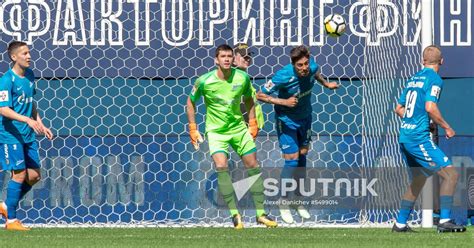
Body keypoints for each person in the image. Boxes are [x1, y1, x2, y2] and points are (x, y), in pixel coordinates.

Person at [186, 44, 277, 229]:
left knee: (253, 166)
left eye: (229, 56)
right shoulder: (204, 81)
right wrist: (193, 128)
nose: (226, 59)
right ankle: (235, 215)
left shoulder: (242, 77)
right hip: (216, 132)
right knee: (221, 166)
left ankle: (261, 214)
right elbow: (190, 101)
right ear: (216, 60)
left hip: (238, 129)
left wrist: (252, 122)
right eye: (223, 56)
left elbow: (249, 99)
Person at [256, 45, 339, 224]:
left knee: (302, 157)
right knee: (291, 159)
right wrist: (282, 101)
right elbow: (260, 95)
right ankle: (283, 201)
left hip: (305, 118)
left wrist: (326, 84)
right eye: (299, 65)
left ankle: (297, 199)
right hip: (286, 120)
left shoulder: (313, 68)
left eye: (305, 64)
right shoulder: (283, 76)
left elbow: (316, 74)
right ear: (292, 64)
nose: (304, 68)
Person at [393, 45, 466, 233]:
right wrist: (446, 126)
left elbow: (399, 109)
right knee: (451, 175)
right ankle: (444, 221)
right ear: (441, 62)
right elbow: (430, 107)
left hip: (405, 137)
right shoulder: (434, 79)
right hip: (418, 138)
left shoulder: (413, 79)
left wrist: (419, 121)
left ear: (422, 61)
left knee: (418, 179)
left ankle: (400, 223)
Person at [0, 41, 53, 231]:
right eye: (24, 53)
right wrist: (27, 120)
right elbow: (3, 109)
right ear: (14, 57)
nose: (29, 56)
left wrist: (40, 123)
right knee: (19, 173)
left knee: (34, 176)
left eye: (29, 52)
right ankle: (11, 221)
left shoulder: (30, 76)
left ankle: (6, 205)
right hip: (11, 134)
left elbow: (31, 104)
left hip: (28, 134)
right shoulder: (7, 80)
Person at [233, 43, 264, 129]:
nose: (247, 58)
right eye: (244, 56)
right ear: (233, 59)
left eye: (249, 55)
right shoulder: (235, 77)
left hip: (248, 125)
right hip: (241, 126)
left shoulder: (243, 76)